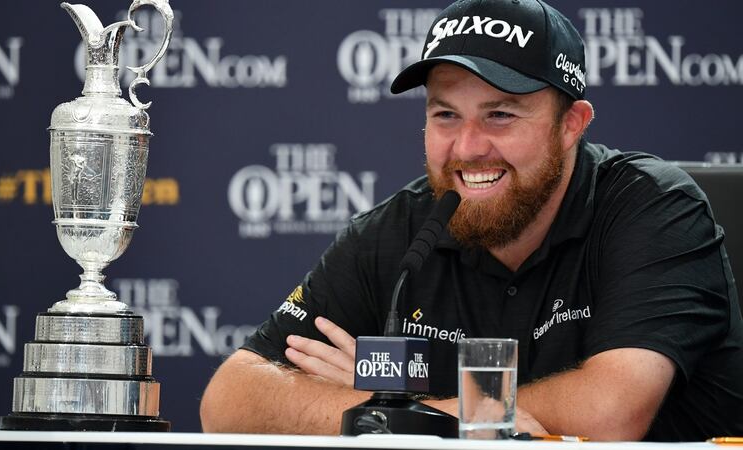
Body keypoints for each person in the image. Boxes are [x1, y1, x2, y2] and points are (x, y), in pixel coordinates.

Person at [200, 0, 743, 441]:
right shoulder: (398, 235)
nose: (468, 147)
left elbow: (609, 415)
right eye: (445, 115)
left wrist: (409, 413)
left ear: (571, 123)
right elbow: (228, 399)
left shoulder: (654, 207)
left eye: (500, 114)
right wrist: (436, 417)